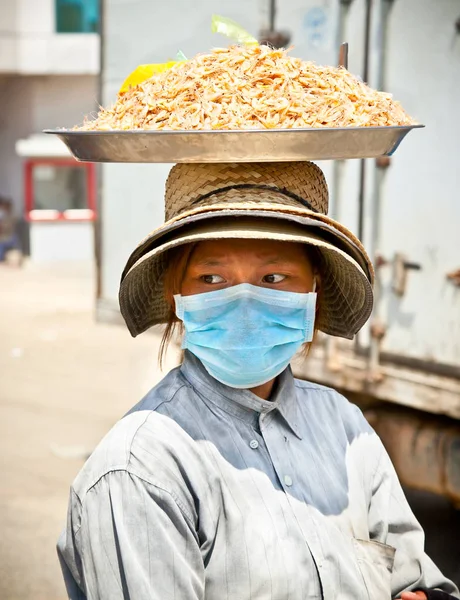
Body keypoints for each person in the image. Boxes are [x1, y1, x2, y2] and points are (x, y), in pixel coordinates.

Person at [57, 162, 459, 600]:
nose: (244, 302)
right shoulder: (141, 470)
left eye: (274, 278)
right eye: (211, 279)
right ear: (178, 297)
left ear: (314, 291)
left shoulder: (344, 427)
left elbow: (421, 584)